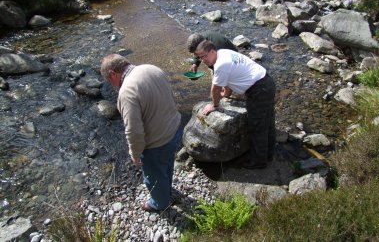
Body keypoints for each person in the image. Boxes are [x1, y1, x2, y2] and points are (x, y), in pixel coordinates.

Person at [100, 54, 182, 212]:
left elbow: (134, 130)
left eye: (110, 81)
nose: (112, 85)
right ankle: (167, 190)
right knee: (167, 165)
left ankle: (160, 203)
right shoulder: (152, 68)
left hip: (157, 143)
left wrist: (135, 154)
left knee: (153, 175)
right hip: (174, 129)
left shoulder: (126, 92)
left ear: (112, 74)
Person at [195, 40, 276, 169]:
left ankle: (259, 162)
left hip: (259, 90)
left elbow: (215, 89)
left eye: (205, 56)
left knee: (257, 127)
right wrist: (226, 93)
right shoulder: (223, 53)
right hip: (266, 81)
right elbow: (229, 79)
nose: (203, 60)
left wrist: (215, 105)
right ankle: (269, 154)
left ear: (212, 51)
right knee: (267, 122)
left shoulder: (221, 64)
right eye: (200, 57)